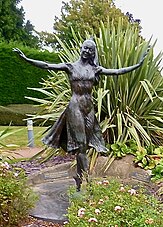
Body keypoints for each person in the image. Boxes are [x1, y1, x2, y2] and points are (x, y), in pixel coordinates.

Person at [13, 38, 147, 191]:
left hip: (89, 108)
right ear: (81, 48)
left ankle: (79, 179)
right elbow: (47, 65)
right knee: (82, 145)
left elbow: (117, 71)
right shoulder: (70, 67)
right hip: (75, 107)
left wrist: (138, 64)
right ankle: (86, 180)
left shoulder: (95, 69)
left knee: (88, 145)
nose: (86, 51)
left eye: (90, 49)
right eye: (85, 48)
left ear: (93, 52)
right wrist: (26, 59)